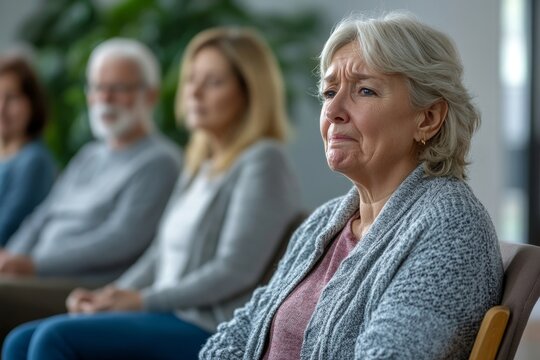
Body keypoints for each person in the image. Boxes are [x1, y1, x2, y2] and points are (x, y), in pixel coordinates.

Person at [199, 12, 504, 359]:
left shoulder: (452, 226)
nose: (334, 111)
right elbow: (241, 332)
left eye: (365, 90)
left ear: (429, 118)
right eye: (330, 92)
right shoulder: (325, 221)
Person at [2, 27, 302, 360]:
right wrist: (111, 295)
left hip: (207, 325)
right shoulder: (201, 162)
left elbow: (234, 269)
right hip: (163, 313)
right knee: (19, 340)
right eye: (191, 80)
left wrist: (142, 300)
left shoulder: (263, 160)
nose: (195, 93)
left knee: (53, 338)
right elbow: (159, 252)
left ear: (250, 93)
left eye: (213, 82)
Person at [0, 39, 181, 342]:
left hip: (84, 286)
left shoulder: (160, 161)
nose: (105, 98)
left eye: (119, 88)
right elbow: (42, 216)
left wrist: (33, 264)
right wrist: (11, 258)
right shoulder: (89, 155)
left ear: (150, 95)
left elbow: (121, 240)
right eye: (97, 87)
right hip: (36, 275)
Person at [0, 56, 56, 246]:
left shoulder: (34, 162)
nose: (2, 108)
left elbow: (7, 230)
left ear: (32, 103)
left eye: (12, 98)